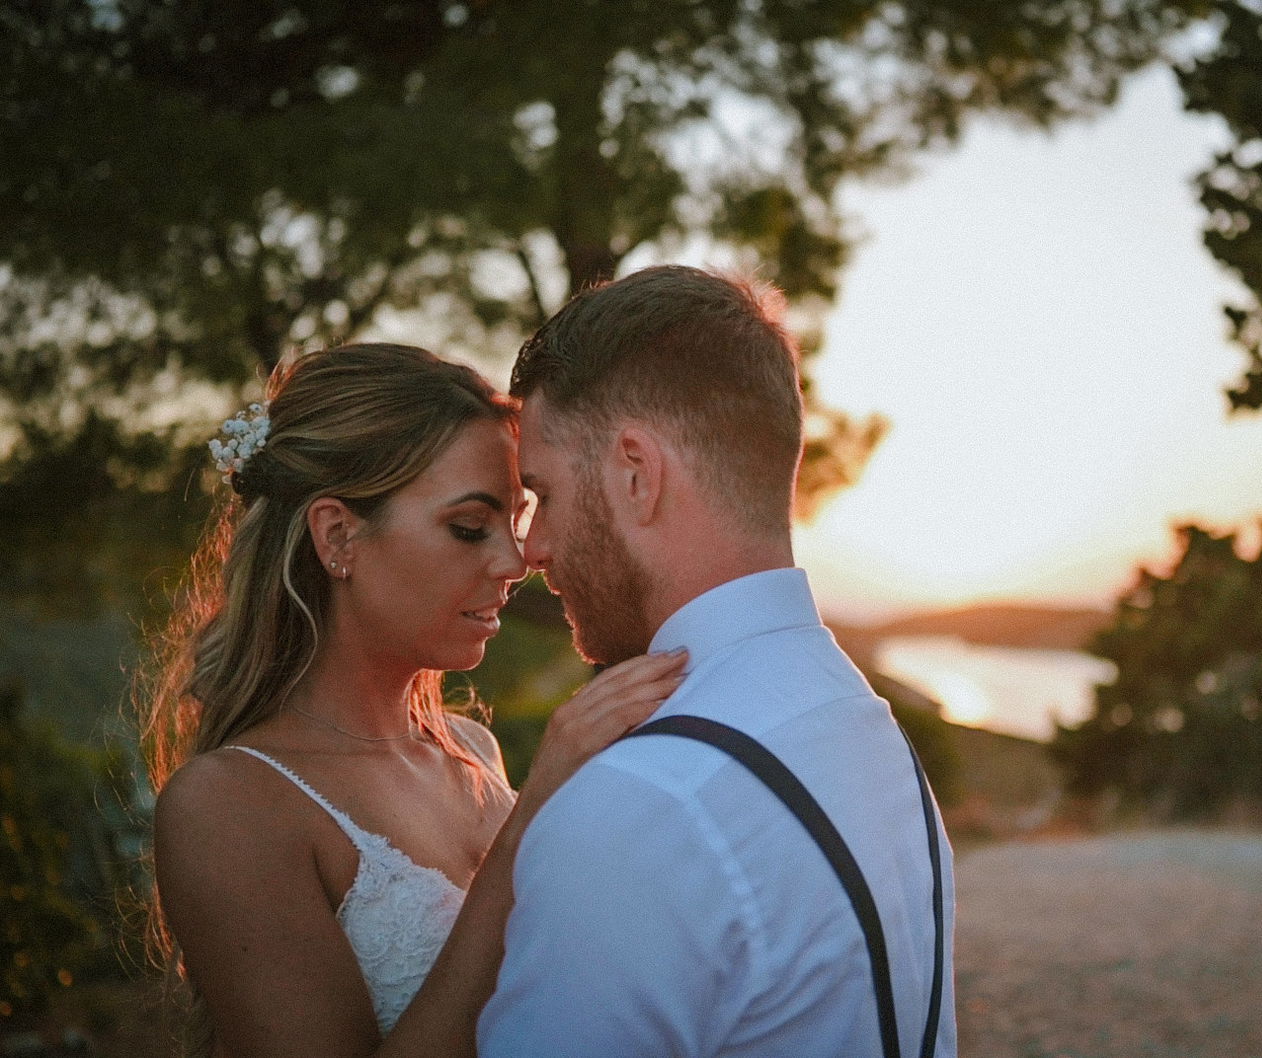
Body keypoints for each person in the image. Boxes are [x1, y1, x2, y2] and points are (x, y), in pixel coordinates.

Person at [142, 341, 686, 1058]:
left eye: (517, 519)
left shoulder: (475, 753)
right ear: (339, 535)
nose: (516, 562)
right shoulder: (228, 807)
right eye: (469, 527)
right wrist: (534, 824)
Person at [480, 266, 957, 1057]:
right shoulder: (868, 729)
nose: (533, 548)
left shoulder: (637, 808)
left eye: (546, 494)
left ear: (637, 472)